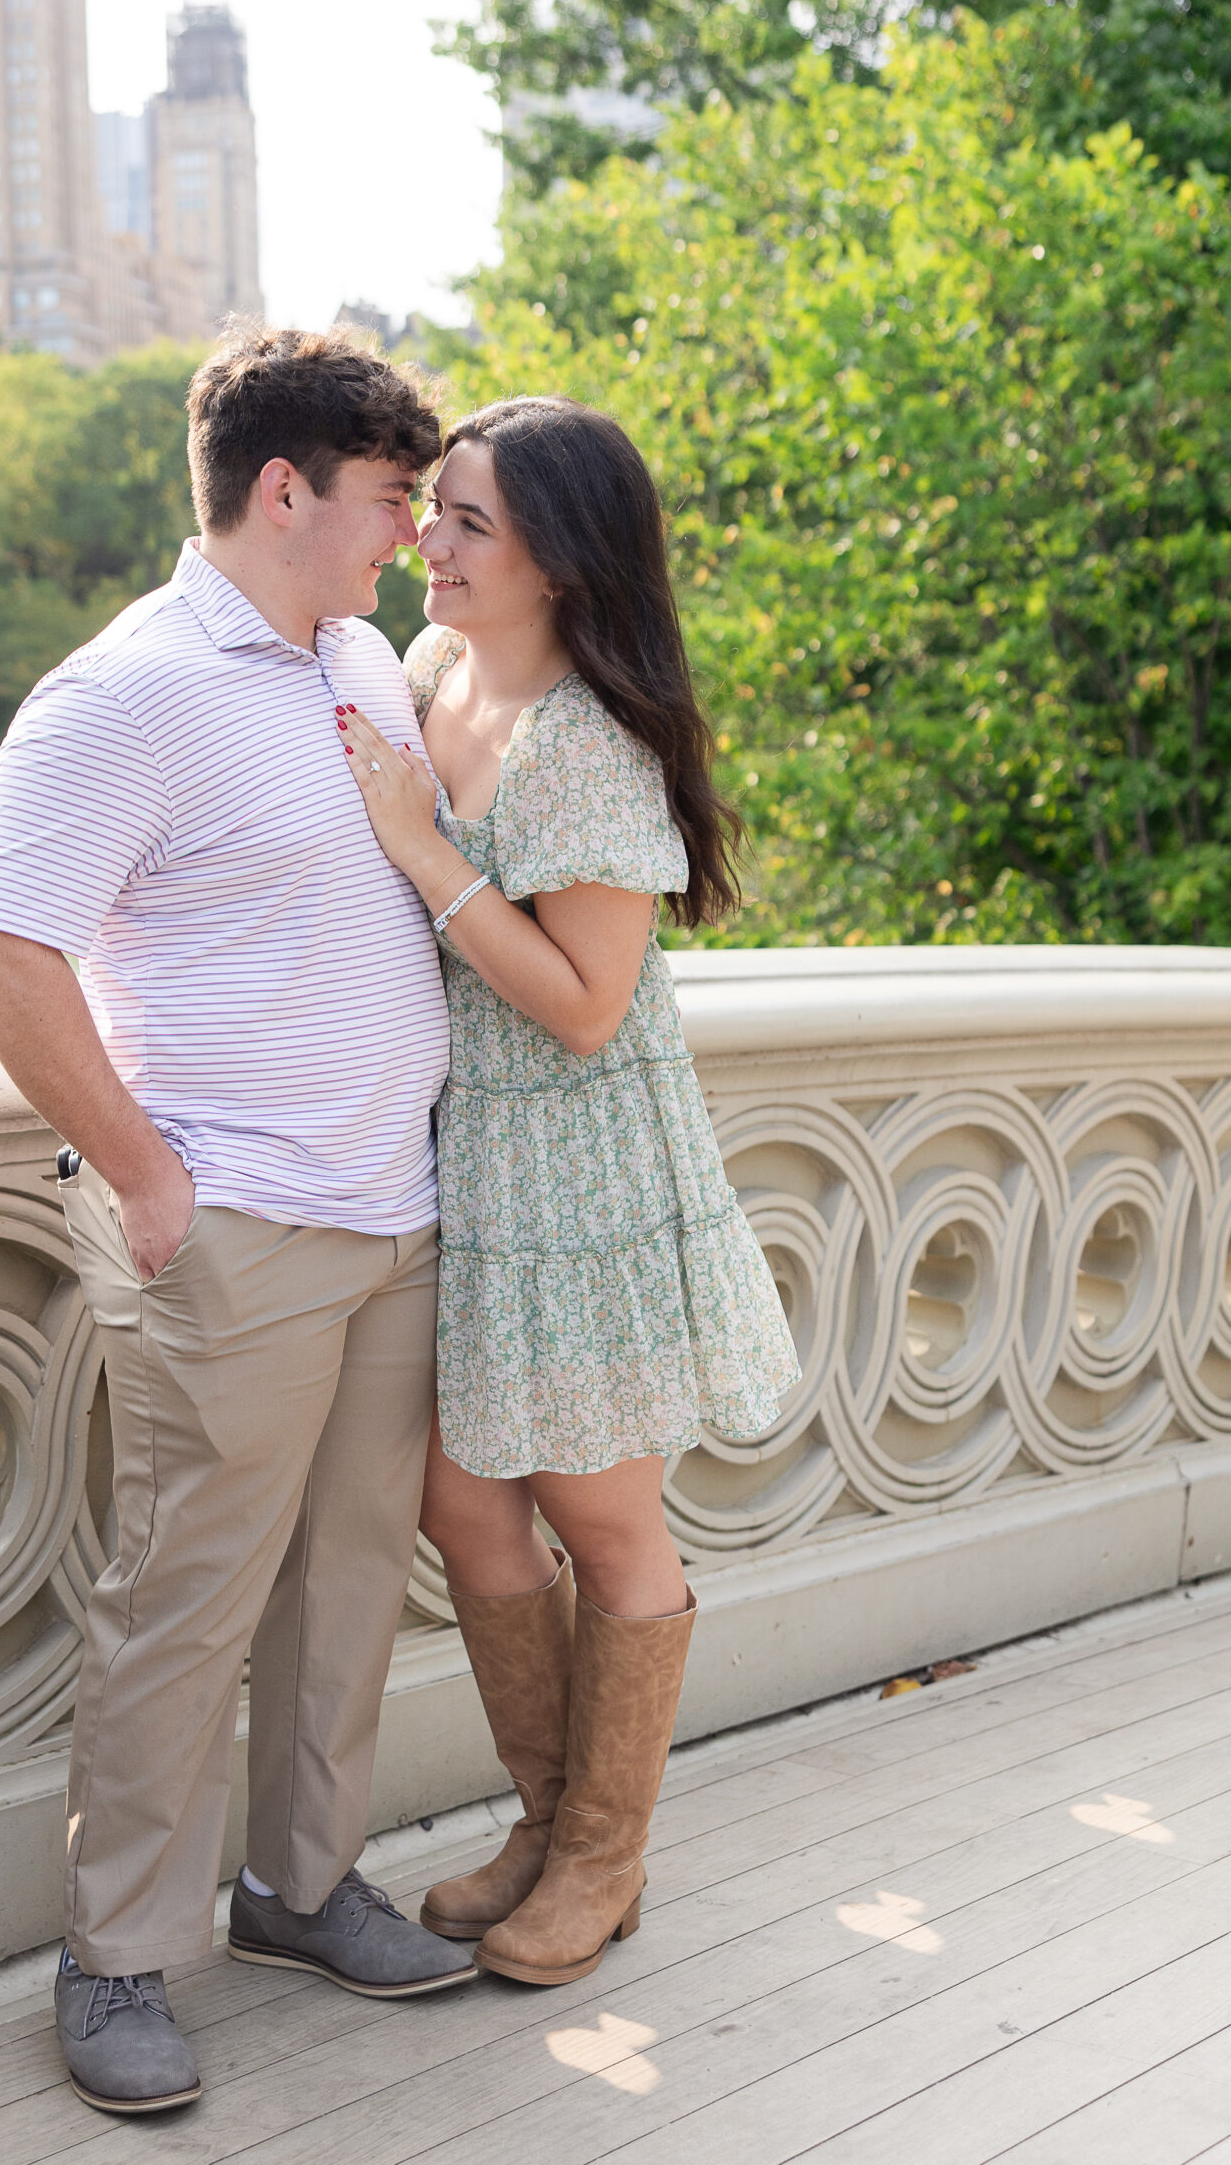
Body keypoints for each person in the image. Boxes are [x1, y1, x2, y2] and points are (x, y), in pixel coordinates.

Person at [0, 329, 477, 2120]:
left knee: (342, 1592)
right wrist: (150, 1180)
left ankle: (301, 1892)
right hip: (230, 1221)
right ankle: (116, 1960)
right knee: (182, 1605)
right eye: (394, 499)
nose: (410, 536)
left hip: (389, 1207)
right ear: (283, 489)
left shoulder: (365, 668)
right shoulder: (123, 694)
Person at [335, 394, 799, 1989]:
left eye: (466, 521)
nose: (428, 542)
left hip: (585, 1163)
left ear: (558, 558)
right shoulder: (425, 676)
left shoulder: (589, 751)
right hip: (465, 1154)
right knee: (462, 1501)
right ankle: (547, 1821)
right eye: (430, 510)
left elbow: (587, 1004)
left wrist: (422, 849)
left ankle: (604, 1854)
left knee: (601, 1517)